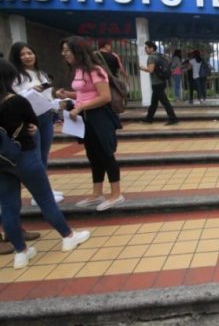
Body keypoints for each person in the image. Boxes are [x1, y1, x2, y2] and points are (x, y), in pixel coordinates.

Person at [0, 58, 91, 269]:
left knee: (8, 206)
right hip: (25, 156)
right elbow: (33, 124)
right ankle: (68, 236)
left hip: (2, 162)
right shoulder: (16, 101)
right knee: (45, 199)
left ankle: (21, 253)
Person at [57, 36, 125, 211]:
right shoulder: (78, 70)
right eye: (63, 51)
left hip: (100, 117)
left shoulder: (96, 70)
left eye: (67, 50)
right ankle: (97, 193)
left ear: (78, 51)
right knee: (93, 155)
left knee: (106, 154)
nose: (64, 54)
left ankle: (116, 194)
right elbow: (84, 94)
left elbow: (105, 97)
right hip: (85, 120)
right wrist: (67, 95)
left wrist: (80, 108)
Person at [8, 42, 64, 205]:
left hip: (46, 117)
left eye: (30, 53)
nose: (27, 57)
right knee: (35, 158)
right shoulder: (15, 77)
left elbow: (48, 97)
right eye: (23, 54)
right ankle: (38, 195)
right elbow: (13, 100)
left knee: (43, 156)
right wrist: (31, 91)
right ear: (17, 57)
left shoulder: (41, 74)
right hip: (29, 120)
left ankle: (45, 188)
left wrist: (57, 98)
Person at [139, 41, 178, 125]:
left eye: (146, 48)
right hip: (161, 82)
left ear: (151, 48)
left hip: (157, 83)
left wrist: (142, 68)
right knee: (154, 103)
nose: (145, 50)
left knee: (165, 102)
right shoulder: (159, 56)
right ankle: (149, 119)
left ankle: (173, 118)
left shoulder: (152, 57)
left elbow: (150, 70)